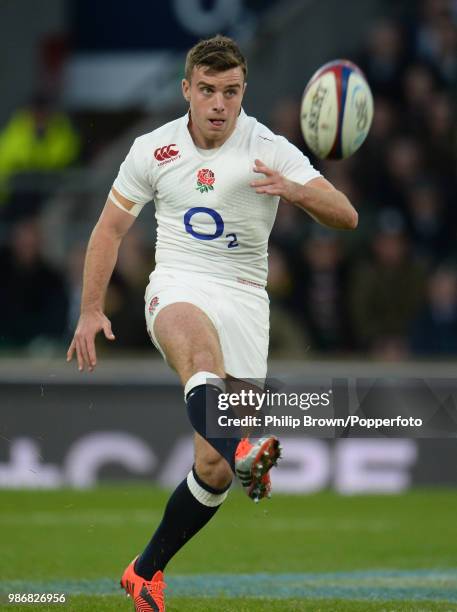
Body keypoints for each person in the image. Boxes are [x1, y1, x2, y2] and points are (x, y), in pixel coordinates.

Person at [66, 35, 357, 612]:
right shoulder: (153, 149)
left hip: (247, 300)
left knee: (213, 469)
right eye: (207, 91)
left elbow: (346, 216)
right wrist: (91, 307)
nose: (218, 103)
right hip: (178, 284)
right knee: (200, 361)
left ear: (244, 92)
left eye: (230, 91)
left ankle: (145, 571)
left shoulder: (270, 147)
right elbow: (108, 231)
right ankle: (246, 447)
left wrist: (297, 192)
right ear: (187, 92)